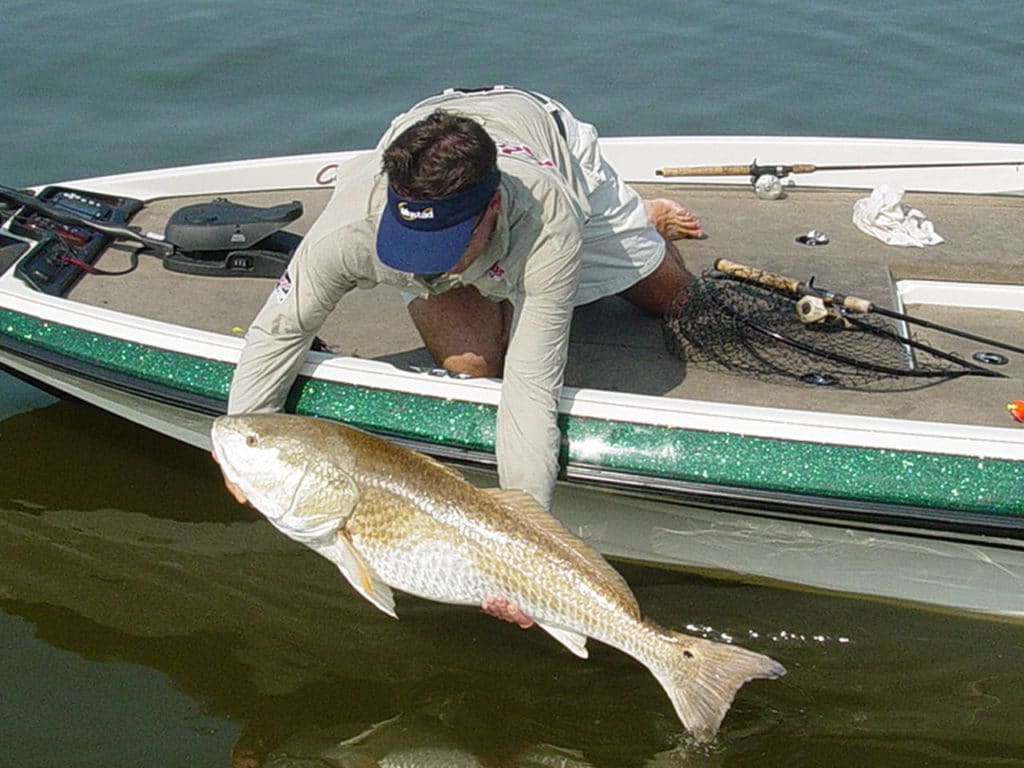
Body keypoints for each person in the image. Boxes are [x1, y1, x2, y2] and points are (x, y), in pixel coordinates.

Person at [225, 86, 702, 511]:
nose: (423, 263)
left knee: (674, 301)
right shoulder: (353, 225)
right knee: (472, 367)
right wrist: (244, 441)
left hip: (551, 151)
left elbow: (531, 384)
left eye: (443, 245)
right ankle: (498, 279)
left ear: (492, 208)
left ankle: (644, 214)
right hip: (436, 143)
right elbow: (282, 327)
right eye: (411, 240)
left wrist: (525, 520)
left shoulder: (548, 223)